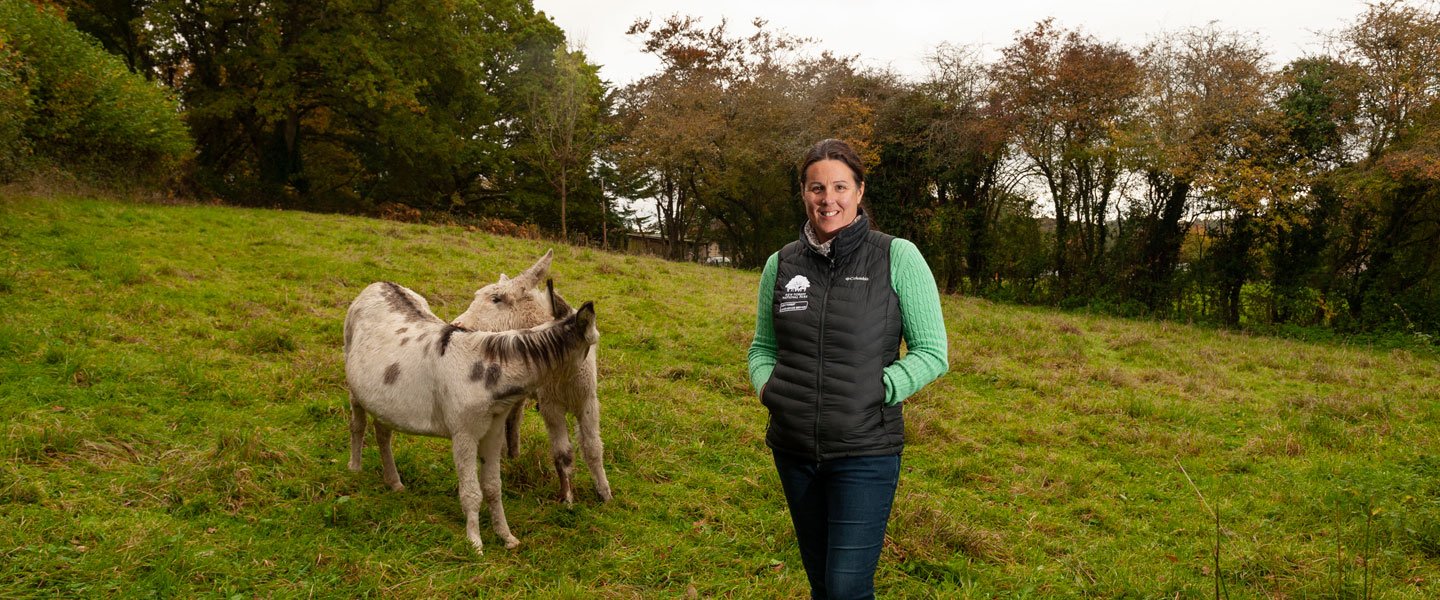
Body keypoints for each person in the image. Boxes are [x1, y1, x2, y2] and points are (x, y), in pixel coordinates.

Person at [747, 138, 949, 599]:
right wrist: (768, 389)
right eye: (817, 188)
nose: (828, 199)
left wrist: (878, 387)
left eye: (840, 186)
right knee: (822, 585)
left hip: (865, 451)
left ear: (859, 191)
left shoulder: (897, 256)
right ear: (803, 193)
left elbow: (932, 351)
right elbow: (762, 347)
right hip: (794, 450)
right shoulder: (780, 265)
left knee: (845, 588)